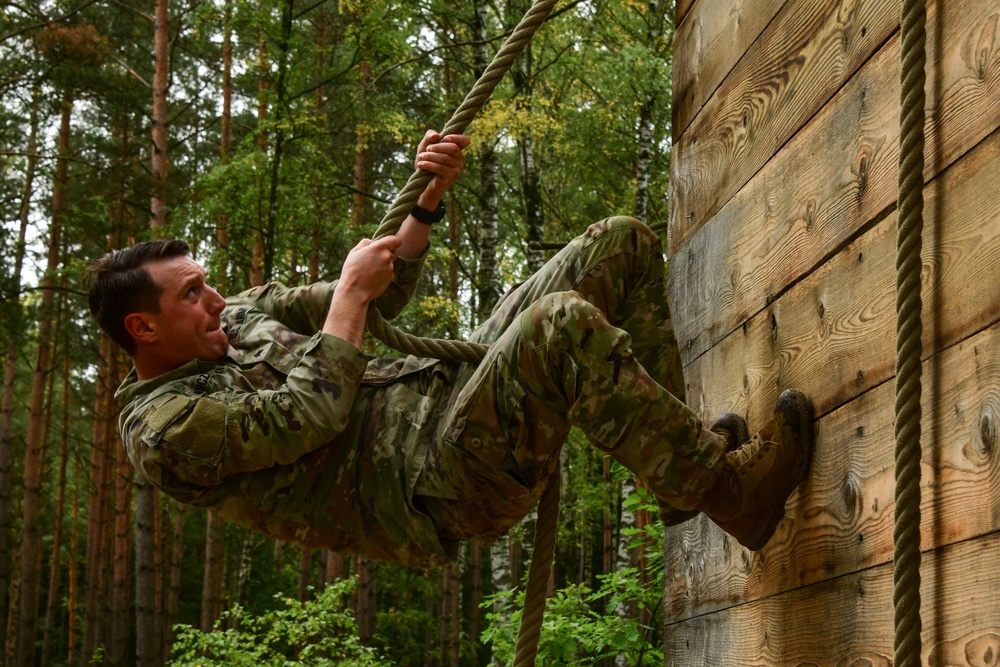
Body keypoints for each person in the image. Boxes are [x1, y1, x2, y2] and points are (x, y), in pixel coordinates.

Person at [87, 130, 815, 569]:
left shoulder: (238, 317)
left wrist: (426, 197)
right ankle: (732, 496)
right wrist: (346, 298)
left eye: (205, 283)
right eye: (190, 295)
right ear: (143, 330)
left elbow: (381, 293)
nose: (215, 299)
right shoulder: (165, 429)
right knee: (558, 325)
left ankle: (680, 475)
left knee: (619, 242)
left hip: (454, 392)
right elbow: (307, 414)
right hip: (439, 482)